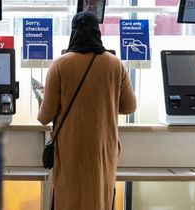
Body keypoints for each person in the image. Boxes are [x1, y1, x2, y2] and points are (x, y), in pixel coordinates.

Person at [37, 11, 137, 210]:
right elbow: (129, 106)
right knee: (99, 196)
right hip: (103, 148)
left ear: (73, 33)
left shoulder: (60, 64)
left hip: (70, 148)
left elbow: (45, 116)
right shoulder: (115, 64)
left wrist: (43, 97)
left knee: (68, 197)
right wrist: (103, 103)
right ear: (97, 32)